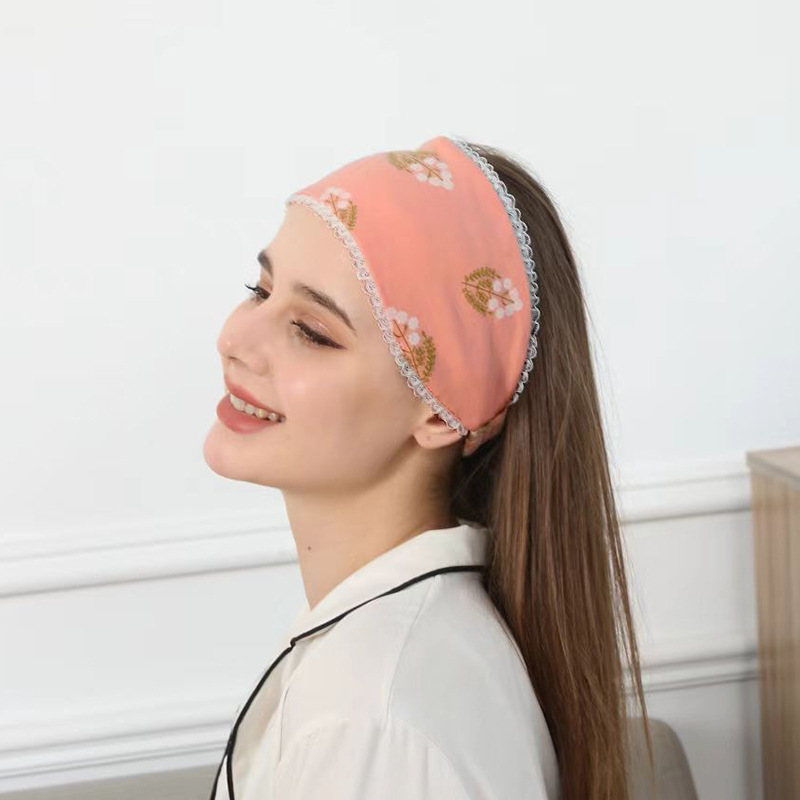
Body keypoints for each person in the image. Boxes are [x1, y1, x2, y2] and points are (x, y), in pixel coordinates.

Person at [203, 135, 655, 800]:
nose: (234, 339)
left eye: (313, 331)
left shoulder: (371, 717)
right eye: (259, 290)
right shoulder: (397, 655)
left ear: (443, 413)